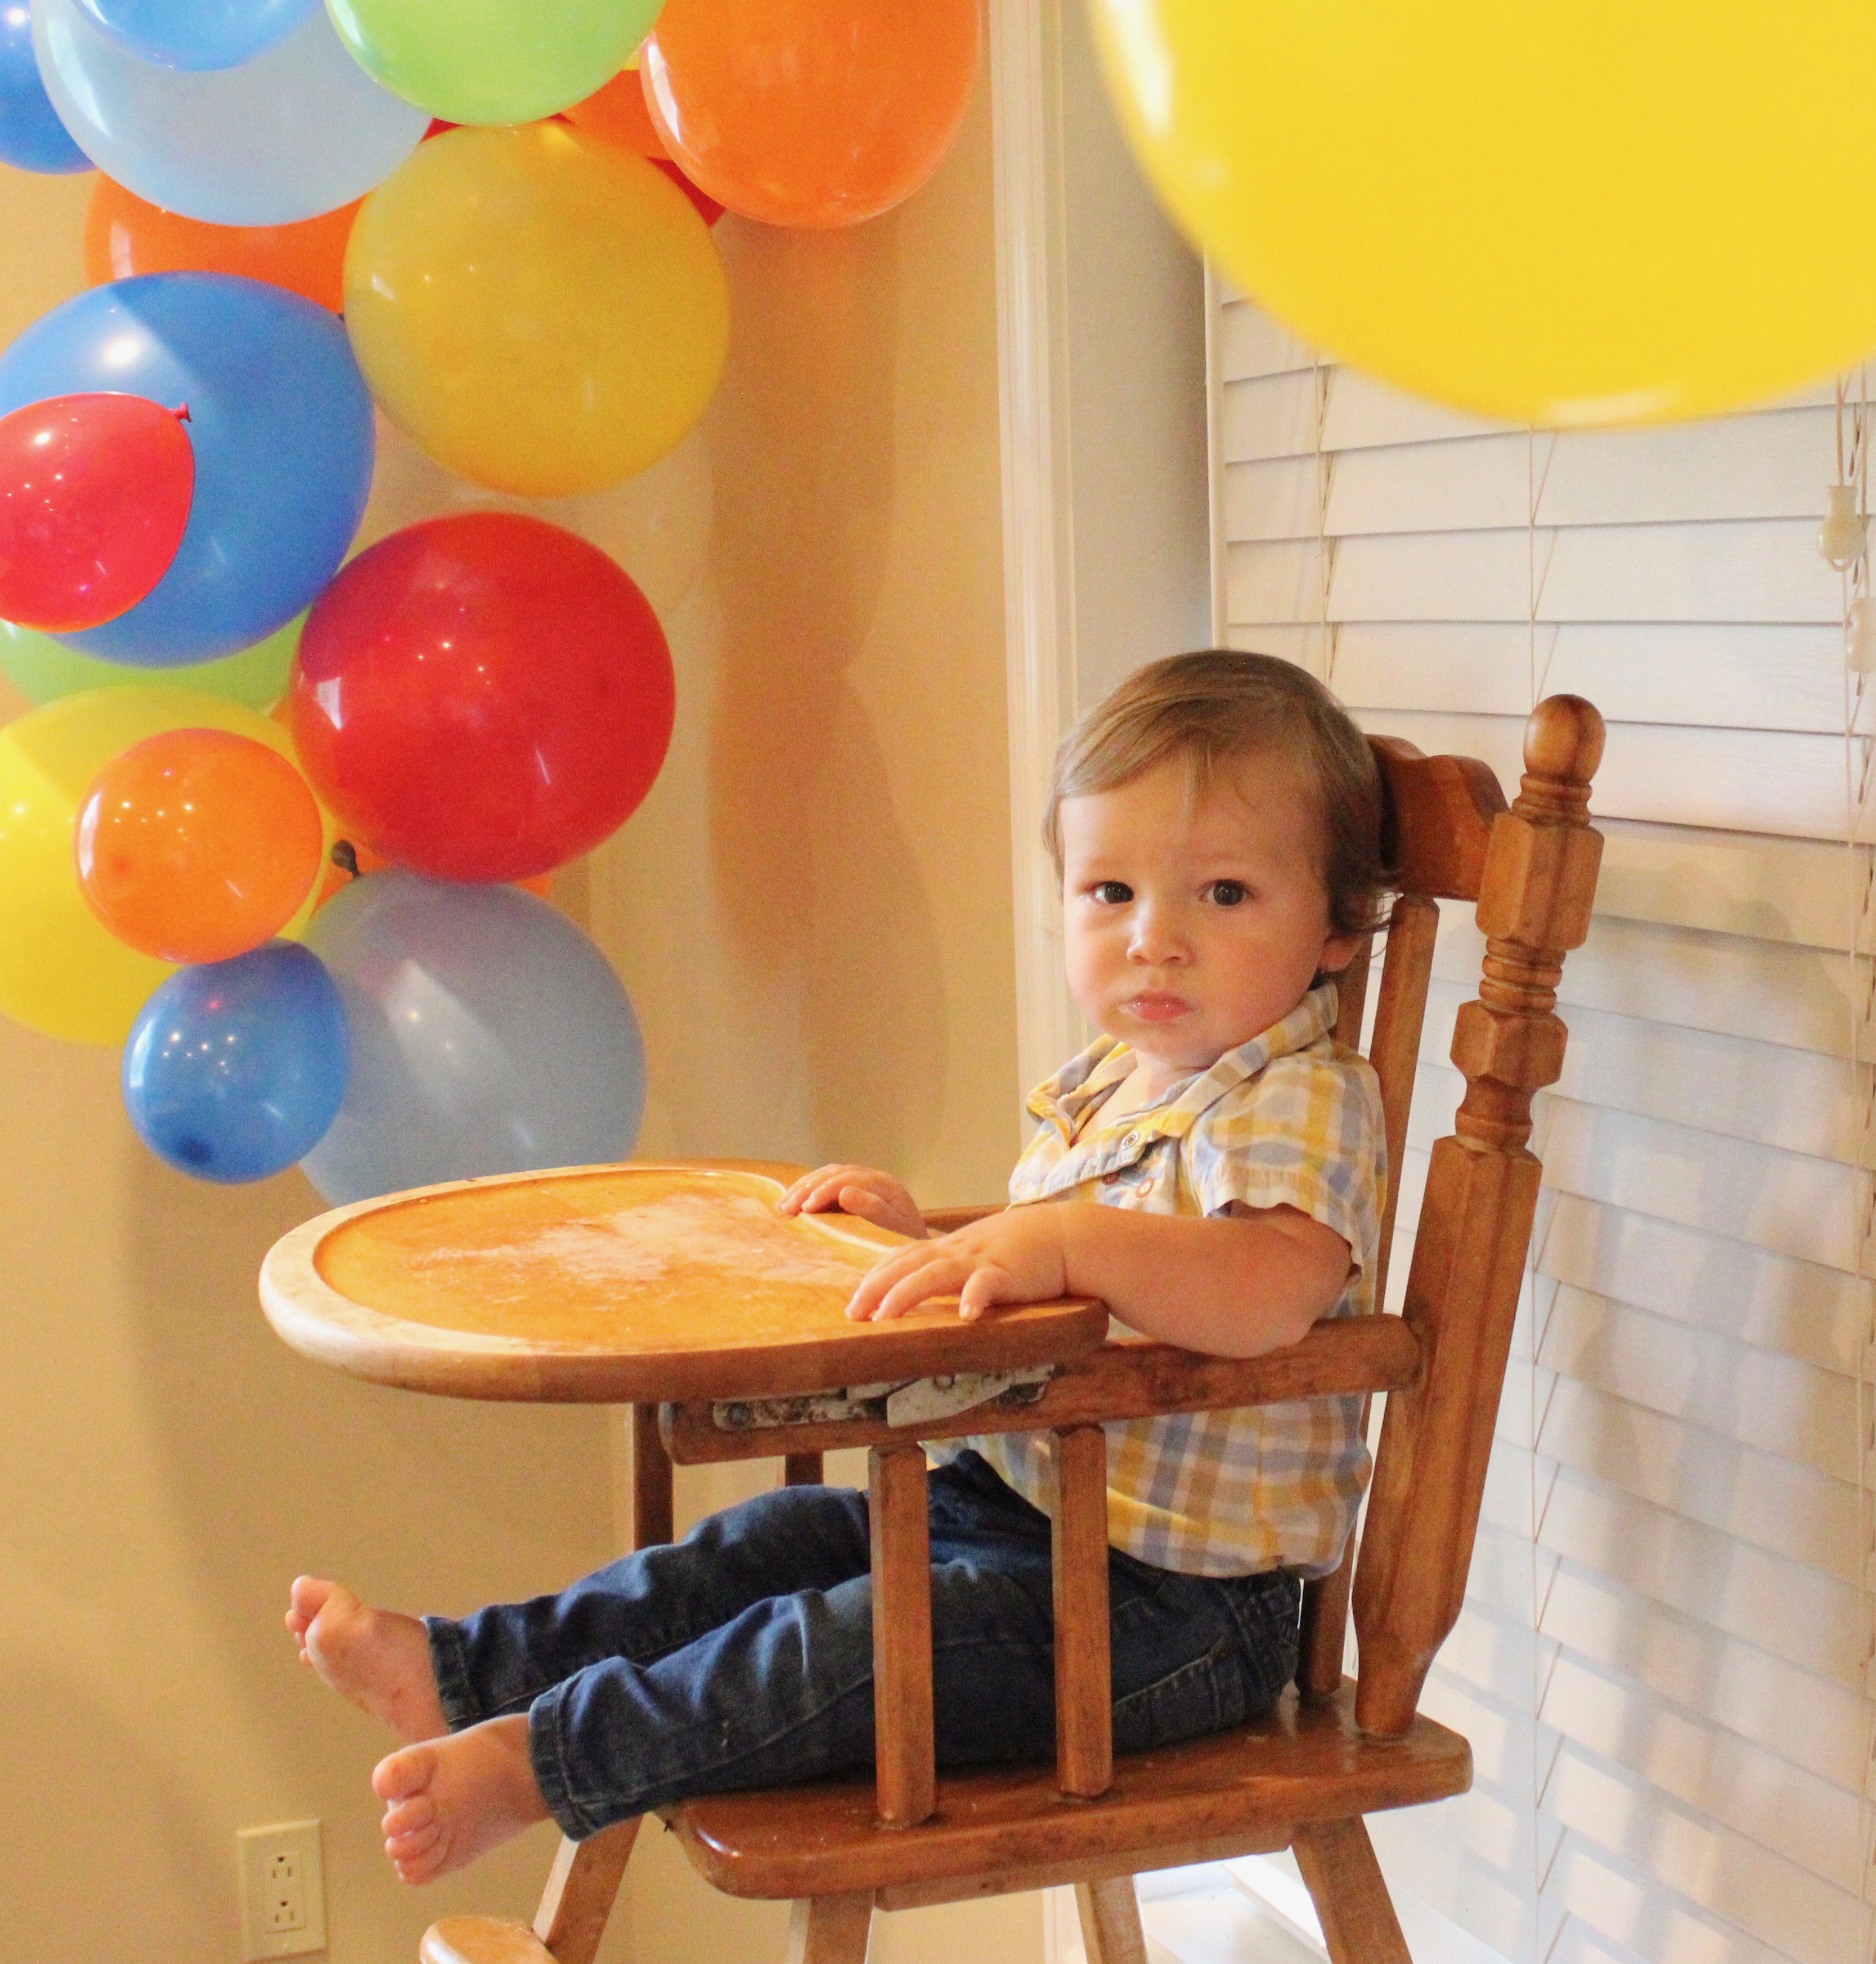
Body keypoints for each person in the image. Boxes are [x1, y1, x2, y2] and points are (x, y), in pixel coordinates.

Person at [285, 650, 1394, 1884]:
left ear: (1341, 926)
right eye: (1110, 889)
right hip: (1017, 1506)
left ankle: (546, 1761)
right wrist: (921, 1243)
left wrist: (1067, 1242)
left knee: (833, 1645)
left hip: (1171, 1612)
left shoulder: (1298, 1096)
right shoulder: (1109, 1084)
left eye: (1224, 893)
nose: (1155, 941)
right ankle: (467, 1669)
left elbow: (1267, 1287)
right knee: (765, 1542)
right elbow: (1054, 1281)